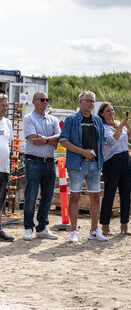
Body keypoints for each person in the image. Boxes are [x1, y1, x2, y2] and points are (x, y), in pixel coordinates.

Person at [59, 91, 107, 242]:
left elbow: (103, 141)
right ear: (80, 102)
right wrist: (83, 152)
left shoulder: (98, 120)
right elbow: (64, 140)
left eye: (93, 101)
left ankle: (94, 231)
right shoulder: (72, 119)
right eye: (89, 101)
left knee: (95, 196)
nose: (91, 104)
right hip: (77, 164)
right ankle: (74, 231)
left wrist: (101, 158)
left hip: (94, 164)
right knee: (75, 196)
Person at [22, 92, 61, 241]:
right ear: (34, 102)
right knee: (31, 196)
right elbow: (34, 140)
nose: (45, 102)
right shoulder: (28, 119)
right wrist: (51, 140)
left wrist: (45, 139)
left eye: (47, 100)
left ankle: (42, 227)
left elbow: (61, 138)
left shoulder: (53, 119)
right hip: (33, 162)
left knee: (47, 197)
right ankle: (28, 227)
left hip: (50, 162)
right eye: (42, 100)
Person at [98, 102, 131, 236]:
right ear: (102, 114)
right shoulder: (102, 127)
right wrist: (120, 126)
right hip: (112, 161)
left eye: (112, 110)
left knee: (126, 192)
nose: (111, 113)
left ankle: (124, 225)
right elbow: (112, 140)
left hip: (125, 158)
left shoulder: (119, 125)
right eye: (108, 111)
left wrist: (127, 126)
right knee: (110, 193)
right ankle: (105, 225)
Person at [0, 94, 14, 242]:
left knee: (1, 200)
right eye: (2, 105)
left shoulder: (8, 123)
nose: (5, 108)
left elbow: (8, 145)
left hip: (3, 169)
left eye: (6, 105)